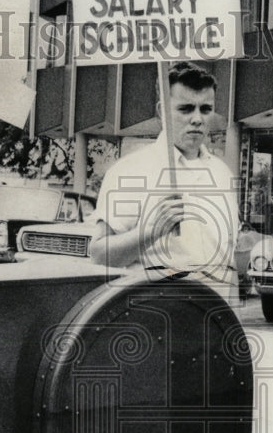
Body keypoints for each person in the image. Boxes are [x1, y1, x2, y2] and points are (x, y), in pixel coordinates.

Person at [88, 62, 238, 297]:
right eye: (186, 109)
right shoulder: (131, 171)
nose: (197, 119)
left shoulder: (222, 173)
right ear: (162, 112)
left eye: (206, 109)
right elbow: (99, 256)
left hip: (215, 320)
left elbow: (227, 259)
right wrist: (151, 231)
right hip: (159, 320)